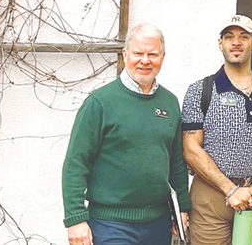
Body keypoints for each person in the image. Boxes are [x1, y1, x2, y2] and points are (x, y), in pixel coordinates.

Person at [61, 23, 190, 245]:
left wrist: (183, 209)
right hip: (109, 225)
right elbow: (75, 164)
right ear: (125, 54)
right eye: (138, 53)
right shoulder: (100, 103)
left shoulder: (170, 103)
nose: (145, 60)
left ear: (163, 56)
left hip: (158, 223)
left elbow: (176, 163)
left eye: (153, 54)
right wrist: (75, 219)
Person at [182, 15, 252, 245]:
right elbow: (190, 149)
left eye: (243, 37)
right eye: (229, 37)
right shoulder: (201, 90)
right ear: (221, 44)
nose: (236, 42)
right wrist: (230, 190)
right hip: (212, 196)